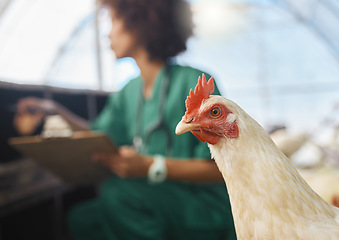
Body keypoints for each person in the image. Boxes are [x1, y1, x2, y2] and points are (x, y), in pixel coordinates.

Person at [15, 0, 236, 239]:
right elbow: (98, 134)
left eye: (114, 21)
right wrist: (54, 110)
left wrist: (151, 166)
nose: (108, 34)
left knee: (117, 194)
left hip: (201, 206)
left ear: (139, 23)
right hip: (154, 197)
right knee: (83, 219)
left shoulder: (194, 81)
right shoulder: (128, 92)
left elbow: (221, 170)